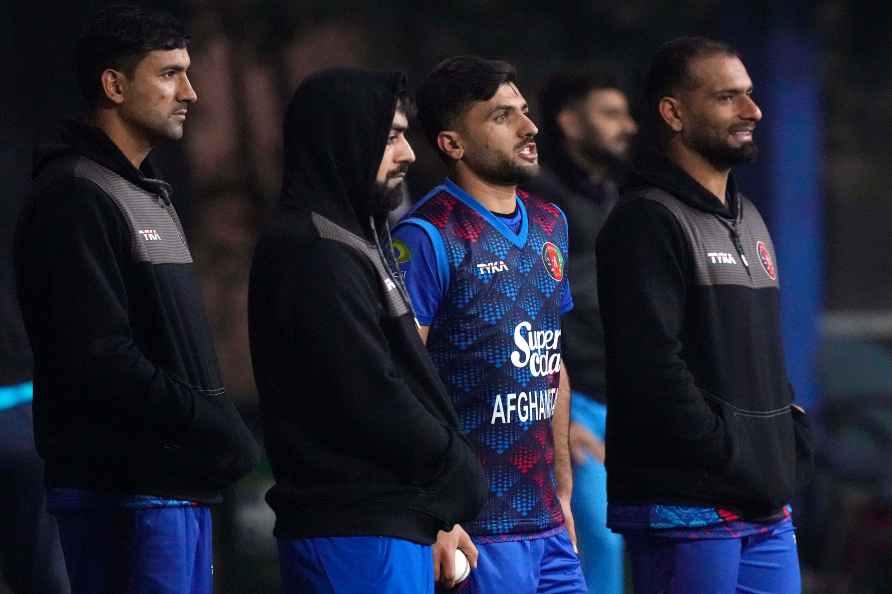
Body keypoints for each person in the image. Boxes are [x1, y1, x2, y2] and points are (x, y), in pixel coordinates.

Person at [14, 6, 259, 593]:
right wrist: (213, 422)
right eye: (170, 74)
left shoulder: (145, 192)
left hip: (172, 488)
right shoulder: (75, 194)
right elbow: (99, 356)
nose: (191, 93)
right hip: (125, 492)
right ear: (114, 85)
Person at [248, 67, 486, 594]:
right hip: (350, 530)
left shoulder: (355, 239)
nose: (408, 154)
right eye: (391, 137)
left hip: (390, 523)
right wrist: (453, 466)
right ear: (344, 138)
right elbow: (367, 390)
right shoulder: (310, 250)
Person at [596, 36, 814, 594]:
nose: (753, 111)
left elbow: (758, 354)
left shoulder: (752, 218)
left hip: (763, 502)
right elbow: (651, 367)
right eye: (727, 99)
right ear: (674, 113)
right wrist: (729, 452)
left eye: (750, 95)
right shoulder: (646, 221)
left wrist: (783, 442)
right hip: (686, 505)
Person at [393, 55, 587, 593]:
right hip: (476, 532)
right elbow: (405, 381)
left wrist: (565, 494)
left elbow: (552, 360)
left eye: (524, 112)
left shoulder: (552, 222)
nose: (530, 127)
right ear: (452, 143)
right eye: (503, 116)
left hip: (549, 526)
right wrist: (433, 513)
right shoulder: (427, 236)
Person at [522, 68, 637, 594]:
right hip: (575, 400)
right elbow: (527, 314)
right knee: (595, 543)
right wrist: (558, 414)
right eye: (610, 114)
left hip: (626, 398)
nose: (628, 126)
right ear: (569, 122)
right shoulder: (537, 201)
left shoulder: (614, 195)